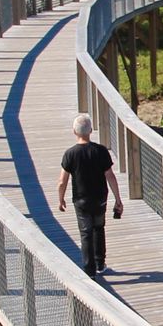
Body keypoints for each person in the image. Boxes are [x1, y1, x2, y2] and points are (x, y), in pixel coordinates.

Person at [56, 114, 122, 274]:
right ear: (91, 130)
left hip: (81, 201)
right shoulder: (100, 151)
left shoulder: (70, 154)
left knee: (86, 232)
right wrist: (118, 199)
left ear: (74, 132)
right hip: (100, 199)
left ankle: (89, 270)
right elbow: (110, 176)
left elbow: (62, 181)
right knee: (99, 228)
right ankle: (100, 264)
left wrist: (61, 199)